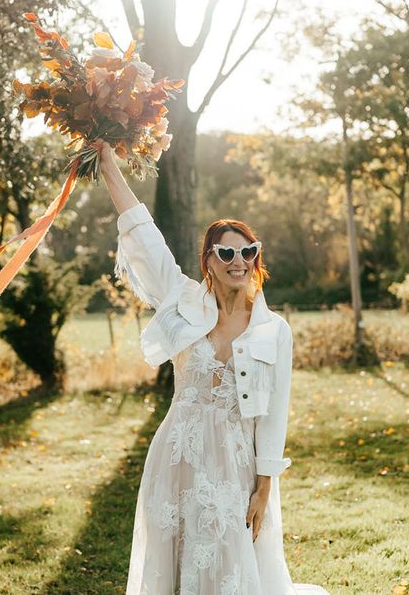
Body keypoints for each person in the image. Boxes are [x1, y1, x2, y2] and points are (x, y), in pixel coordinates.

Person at [97, 139, 330, 595]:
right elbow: (145, 239)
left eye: (247, 252)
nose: (238, 261)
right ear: (209, 261)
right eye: (226, 253)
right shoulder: (183, 301)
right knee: (177, 556)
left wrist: (265, 486)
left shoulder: (273, 330)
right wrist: (108, 165)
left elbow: (275, 413)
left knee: (229, 560)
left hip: (237, 464)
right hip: (178, 456)